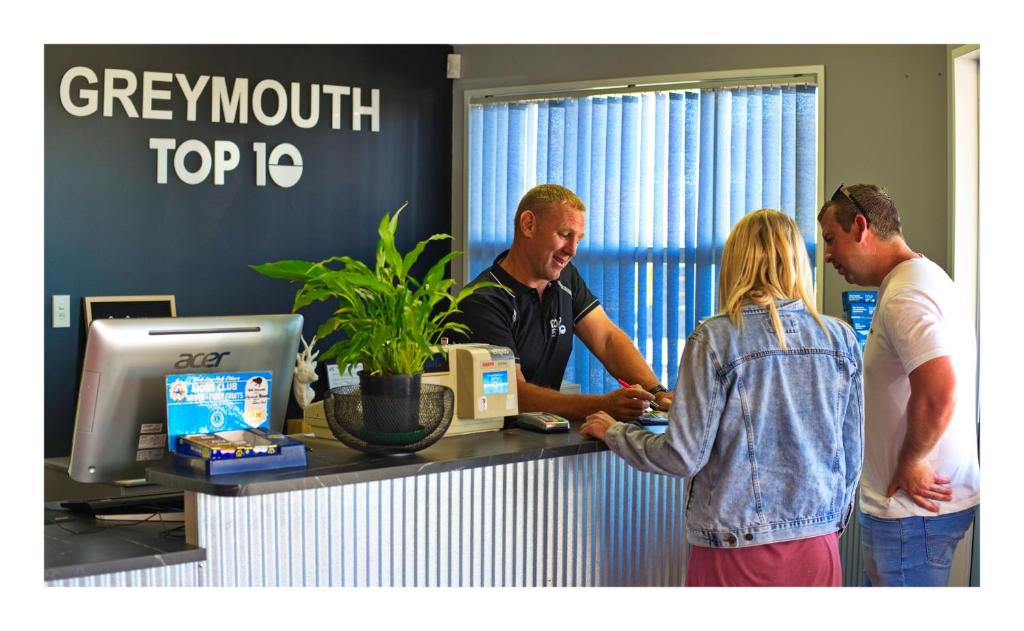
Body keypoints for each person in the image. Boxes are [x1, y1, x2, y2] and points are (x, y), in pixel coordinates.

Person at [581, 209, 863, 587]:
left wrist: (615, 432)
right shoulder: (840, 338)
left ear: (735, 263)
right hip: (818, 544)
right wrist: (823, 524)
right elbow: (851, 456)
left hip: (735, 549)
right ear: (798, 262)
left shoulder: (715, 338)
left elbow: (682, 455)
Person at [818, 183, 980, 587]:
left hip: (912, 517)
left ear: (860, 227)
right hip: (914, 515)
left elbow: (940, 388)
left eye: (831, 240)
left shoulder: (905, 294)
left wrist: (910, 461)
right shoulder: (921, 278)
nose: (828, 255)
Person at [450, 184, 671, 421]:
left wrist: (657, 393)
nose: (572, 250)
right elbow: (513, 394)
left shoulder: (565, 278)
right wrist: (602, 405)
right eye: (565, 235)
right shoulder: (483, 300)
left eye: (578, 239)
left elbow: (607, 339)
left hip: (541, 438)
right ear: (528, 225)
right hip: (493, 444)